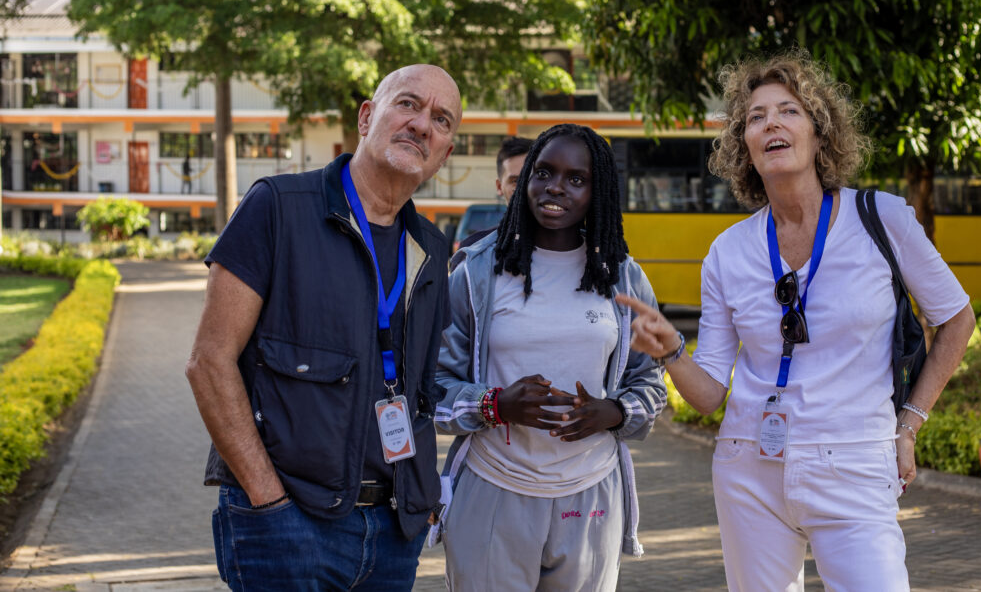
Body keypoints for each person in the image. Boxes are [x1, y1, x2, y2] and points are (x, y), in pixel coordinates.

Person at [617, 51, 976, 591]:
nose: (771, 124)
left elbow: (957, 319)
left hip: (855, 464)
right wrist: (671, 352)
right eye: (756, 117)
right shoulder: (727, 252)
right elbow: (710, 394)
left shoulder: (882, 219)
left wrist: (909, 425)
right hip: (748, 467)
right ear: (744, 145)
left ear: (819, 133)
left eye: (789, 111)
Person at [185, 64, 462, 591]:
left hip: (394, 535)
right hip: (290, 525)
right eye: (407, 104)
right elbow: (208, 363)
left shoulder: (431, 248)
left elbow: (421, 390)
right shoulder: (276, 207)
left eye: (441, 119)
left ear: (444, 153)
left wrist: (422, 496)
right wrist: (268, 501)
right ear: (366, 117)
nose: (422, 124)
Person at [432, 124, 668, 591]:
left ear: (598, 191)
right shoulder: (477, 271)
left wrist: (615, 412)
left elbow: (651, 384)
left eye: (576, 179)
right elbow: (433, 386)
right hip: (493, 486)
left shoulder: (623, 277)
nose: (555, 187)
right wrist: (494, 405)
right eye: (543, 173)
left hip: (591, 493)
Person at [449, 136, 532, 269]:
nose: (524, 187)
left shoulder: (567, 249)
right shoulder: (471, 252)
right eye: (515, 181)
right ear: (499, 187)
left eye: (531, 178)